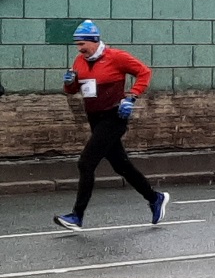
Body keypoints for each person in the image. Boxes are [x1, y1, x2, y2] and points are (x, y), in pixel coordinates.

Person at [52, 20, 169, 233]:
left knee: (86, 163)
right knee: (121, 166)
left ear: (94, 41)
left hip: (114, 117)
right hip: (95, 118)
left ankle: (77, 216)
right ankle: (155, 198)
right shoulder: (80, 61)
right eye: (77, 45)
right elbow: (72, 90)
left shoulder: (116, 57)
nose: (79, 49)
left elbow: (144, 72)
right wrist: (69, 82)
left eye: (82, 44)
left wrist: (131, 97)